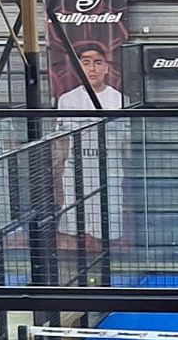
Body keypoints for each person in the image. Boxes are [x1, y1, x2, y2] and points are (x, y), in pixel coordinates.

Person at [54, 44, 126, 245]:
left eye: (97, 63)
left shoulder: (120, 100)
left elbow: (126, 142)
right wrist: (58, 168)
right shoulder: (66, 100)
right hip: (76, 174)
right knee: (73, 226)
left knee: (107, 226)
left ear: (106, 67)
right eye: (86, 63)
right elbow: (62, 139)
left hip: (109, 173)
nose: (92, 69)